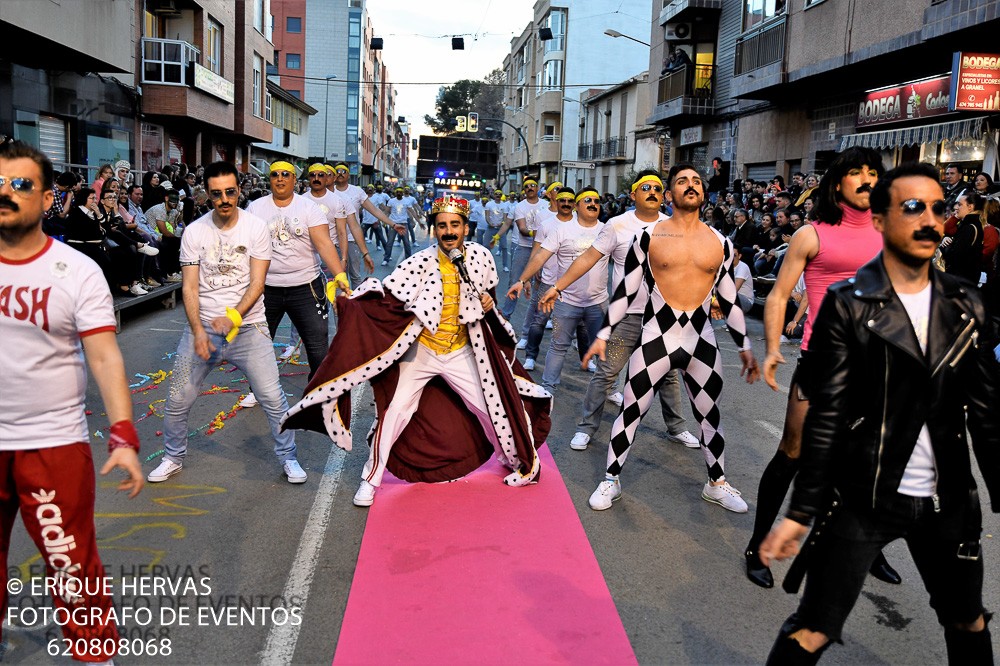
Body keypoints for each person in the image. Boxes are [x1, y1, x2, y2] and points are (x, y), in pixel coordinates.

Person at [760, 162, 999, 665]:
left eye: (939, 207)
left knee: (967, 619)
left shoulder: (966, 303)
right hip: (862, 496)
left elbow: (986, 413)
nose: (930, 219)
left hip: (947, 501)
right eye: (913, 207)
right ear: (883, 220)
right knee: (813, 629)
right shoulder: (847, 305)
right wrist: (801, 513)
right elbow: (827, 418)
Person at [281, 196, 552, 506]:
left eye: (454, 225)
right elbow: (387, 297)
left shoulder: (481, 257)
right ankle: (370, 479)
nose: (449, 231)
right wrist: (353, 300)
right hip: (421, 351)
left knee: (489, 406)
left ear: (465, 228)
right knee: (394, 414)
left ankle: (515, 459)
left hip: (462, 350)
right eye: (442, 226)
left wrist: (488, 305)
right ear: (434, 230)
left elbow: (486, 295)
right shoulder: (418, 262)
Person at [0, 140, 144, 663]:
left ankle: (95, 656)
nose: (7, 194)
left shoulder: (77, 270)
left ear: (46, 198)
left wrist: (124, 434)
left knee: (71, 565)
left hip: (51, 445)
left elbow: (105, 358)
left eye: (20, 184)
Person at [748, 147, 901, 589]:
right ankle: (759, 546)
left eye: (874, 172)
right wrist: (774, 346)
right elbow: (778, 296)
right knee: (792, 455)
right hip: (823, 360)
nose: (867, 179)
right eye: (857, 172)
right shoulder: (812, 235)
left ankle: (865, 548)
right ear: (838, 183)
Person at [585, 165, 759, 512]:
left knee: (710, 416)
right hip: (656, 338)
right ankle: (610, 480)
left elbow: (728, 298)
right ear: (670, 194)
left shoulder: (720, 242)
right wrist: (604, 332)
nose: (690, 185)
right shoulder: (649, 237)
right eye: (682, 181)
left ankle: (717, 484)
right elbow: (625, 290)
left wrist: (745, 346)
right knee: (631, 412)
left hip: (702, 341)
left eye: (696, 181)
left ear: (703, 193)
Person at [147, 161, 307, 485]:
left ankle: (289, 458)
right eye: (217, 193)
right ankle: (172, 457)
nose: (224, 199)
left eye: (230, 192)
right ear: (207, 194)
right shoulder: (194, 232)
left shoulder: (255, 228)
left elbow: (258, 284)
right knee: (178, 397)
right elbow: (189, 287)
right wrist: (197, 332)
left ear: (239, 191)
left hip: (248, 329)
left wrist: (233, 317)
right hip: (204, 329)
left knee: (272, 397)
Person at [539, 170, 697, 452]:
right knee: (606, 372)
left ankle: (677, 428)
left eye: (658, 188)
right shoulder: (616, 225)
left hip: (663, 319)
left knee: (669, 374)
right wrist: (558, 286)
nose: (652, 192)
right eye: (645, 187)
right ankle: (586, 428)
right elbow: (588, 258)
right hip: (627, 317)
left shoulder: (674, 225)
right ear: (634, 194)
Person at [245, 160, 350, 383]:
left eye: (285, 174)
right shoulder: (255, 208)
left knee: (317, 346)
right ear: (270, 179)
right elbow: (246, 246)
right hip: (266, 288)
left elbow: (324, 244)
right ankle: (259, 390)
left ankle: (318, 390)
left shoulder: (308, 208)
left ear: (294, 180)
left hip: (306, 287)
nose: (280, 178)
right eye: (275, 175)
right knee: (259, 345)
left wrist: (339, 274)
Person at [508, 187, 607, 386]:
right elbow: (541, 254)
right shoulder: (560, 229)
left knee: (605, 346)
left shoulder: (608, 229)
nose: (593, 204)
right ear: (577, 206)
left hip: (597, 303)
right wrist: (522, 279)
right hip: (564, 299)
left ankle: (609, 390)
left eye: (596, 201)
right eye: (587, 200)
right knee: (557, 343)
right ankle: (547, 387)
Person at [493, 177, 547, 321]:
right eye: (527, 186)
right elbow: (522, 229)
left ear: (537, 189)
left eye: (533, 185)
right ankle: (506, 314)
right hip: (523, 247)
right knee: (515, 281)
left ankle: (543, 316)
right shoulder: (519, 207)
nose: (530, 188)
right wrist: (497, 237)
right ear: (524, 190)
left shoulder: (546, 205)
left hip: (544, 249)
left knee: (543, 283)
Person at [941, 189, 984, 284]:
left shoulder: (969, 227)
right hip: (965, 278)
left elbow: (956, 256)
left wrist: (945, 247)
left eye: (960, 205)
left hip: (961, 279)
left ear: (970, 207)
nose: (957, 208)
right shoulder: (970, 224)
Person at [146, 190, 184, 282]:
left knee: (177, 241)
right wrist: (177, 238)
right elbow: (164, 231)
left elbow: (172, 228)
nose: (175, 202)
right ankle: (169, 274)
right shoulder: (160, 209)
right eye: (173, 199)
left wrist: (180, 212)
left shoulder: (173, 211)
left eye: (177, 200)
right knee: (173, 242)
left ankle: (174, 272)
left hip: (160, 235)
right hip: (152, 234)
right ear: (166, 198)